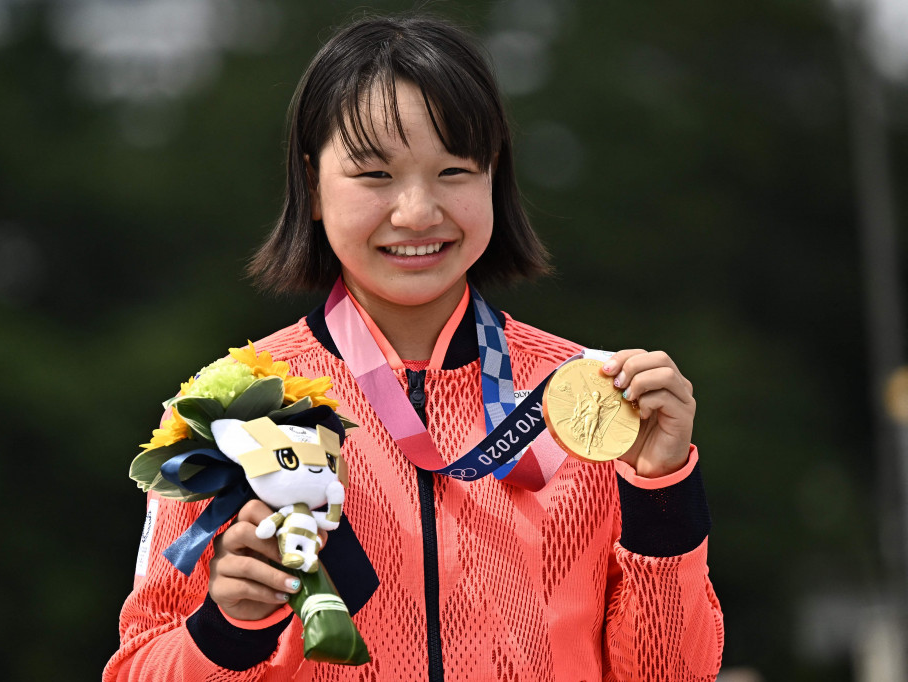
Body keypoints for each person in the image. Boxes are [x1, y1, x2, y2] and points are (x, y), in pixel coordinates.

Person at [104, 13, 724, 681]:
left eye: (454, 170)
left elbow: (674, 674)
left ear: (494, 177)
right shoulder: (233, 408)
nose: (417, 212)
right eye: (374, 175)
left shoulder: (592, 402)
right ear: (313, 185)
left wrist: (661, 493)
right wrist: (227, 630)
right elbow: (139, 667)